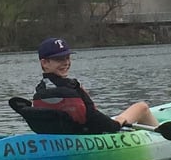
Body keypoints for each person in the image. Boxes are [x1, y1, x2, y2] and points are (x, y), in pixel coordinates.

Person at [23, 37, 159, 135]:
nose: (65, 63)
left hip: (66, 134)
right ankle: (161, 137)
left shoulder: (41, 89)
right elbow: (93, 117)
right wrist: (117, 123)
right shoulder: (72, 87)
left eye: (67, 58)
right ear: (45, 63)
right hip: (93, 133)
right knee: (142, 107)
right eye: (59, 59)